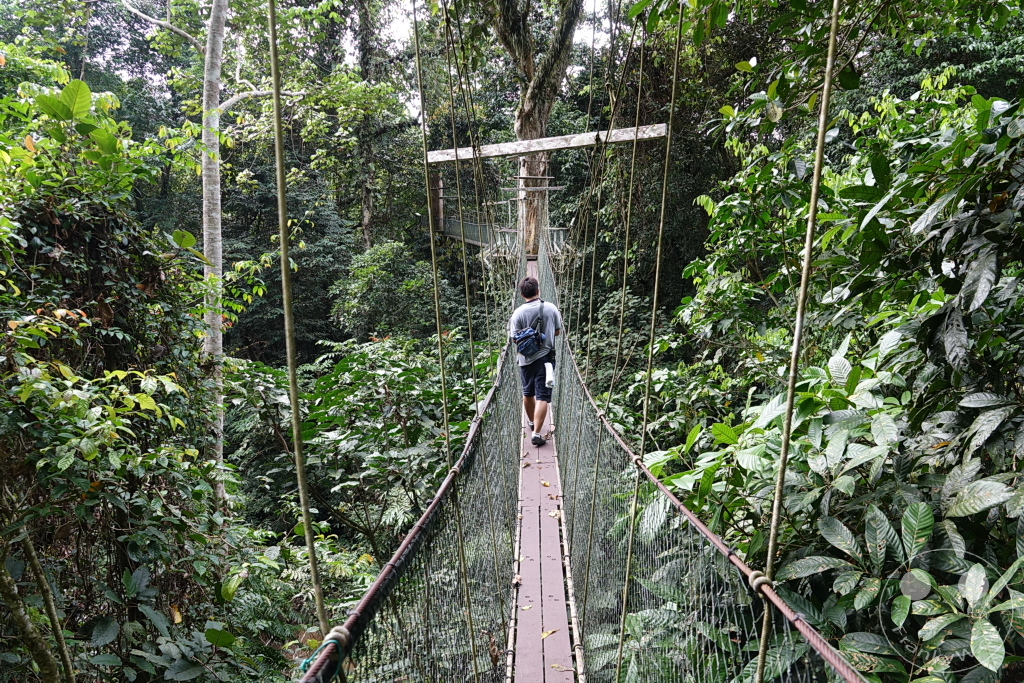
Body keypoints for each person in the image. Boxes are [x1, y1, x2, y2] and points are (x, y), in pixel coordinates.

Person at [508, 276, 563, 446]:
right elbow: (557, 332)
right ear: (538, 291)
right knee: (543, 396)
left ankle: (532, 422)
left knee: (528, 392)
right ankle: (537, 434)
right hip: (546, 359)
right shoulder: (551, 308)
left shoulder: (517, 313)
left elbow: (514, 339)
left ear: (521, 294)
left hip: (525, 360)